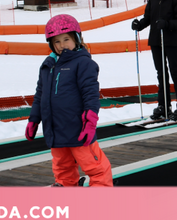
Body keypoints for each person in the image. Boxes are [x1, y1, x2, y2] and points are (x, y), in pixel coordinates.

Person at [25, 14, 113, 187]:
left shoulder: (83, 63)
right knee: (62, 167)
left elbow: (90, 94)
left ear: (77, 39)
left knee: (95, 166)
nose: (62, 45)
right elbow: (40, 94)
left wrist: (90, 121)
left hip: (77, 128)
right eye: (56, 41)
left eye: (66, 39)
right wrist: (34, 120)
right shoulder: (48, 65)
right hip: (55, 129)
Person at [131, 0, 177, 121]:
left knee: (175, 72)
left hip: (171, 42)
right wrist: (139, 25)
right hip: (156, 41)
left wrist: (167, 24)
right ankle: (164, 105)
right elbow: (148, 18)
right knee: (161, 74)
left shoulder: (176, 0)